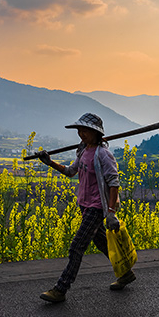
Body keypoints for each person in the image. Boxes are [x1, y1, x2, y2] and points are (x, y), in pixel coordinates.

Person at [35, 113, 133, 303]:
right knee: (102, 242)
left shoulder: (103, 154)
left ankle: (61, 289)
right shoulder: (83, 152)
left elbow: (114, 183)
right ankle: (126, 273)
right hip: (85, 205)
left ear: (95, 133)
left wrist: (111, 213)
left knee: (76, 246)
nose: (81, 134)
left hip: (97, 207)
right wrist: (49, 162)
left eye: (85, 130)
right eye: (79, 130)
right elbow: (71, 172)